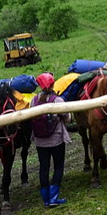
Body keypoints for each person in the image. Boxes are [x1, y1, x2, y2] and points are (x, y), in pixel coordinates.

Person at [30, 72, 72, 207]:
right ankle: (54, 197)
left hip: (40, 141)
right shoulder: (58, 100)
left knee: (43, 167)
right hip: (57, 139)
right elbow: (67, 118)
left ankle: (46, 199)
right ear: (53, 83)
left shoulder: (34, 100)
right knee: (58, 166)